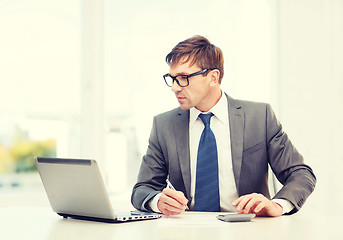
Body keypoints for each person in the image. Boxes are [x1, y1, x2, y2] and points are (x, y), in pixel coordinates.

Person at [131, 35, 316, 217]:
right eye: (172, 78)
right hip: (187, 230)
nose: (175, 87)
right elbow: (142, 189)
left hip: (248, 228)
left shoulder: (259, 117)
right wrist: (157, 201)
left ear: (213, 77)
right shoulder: (164, 125)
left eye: (183, 77)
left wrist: (277, 205)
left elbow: (301, 174)